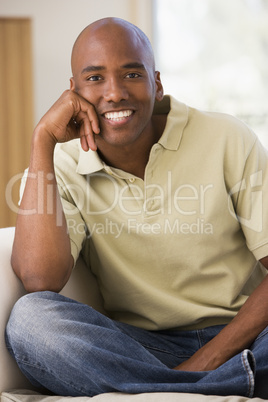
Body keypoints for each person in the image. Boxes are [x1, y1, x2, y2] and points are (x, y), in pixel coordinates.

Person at [5, 17, 268, 399]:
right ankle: (214, 389)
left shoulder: (227, 137)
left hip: (247, 335)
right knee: (31, 321)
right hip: (141, 348)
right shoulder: (61, 162)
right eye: (95, 78)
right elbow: (39, 280)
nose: (114, 93)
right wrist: (42, 140)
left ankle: (168, 392)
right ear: (73, 91)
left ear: (155, 83)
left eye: (131, 73)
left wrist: (210, 358)